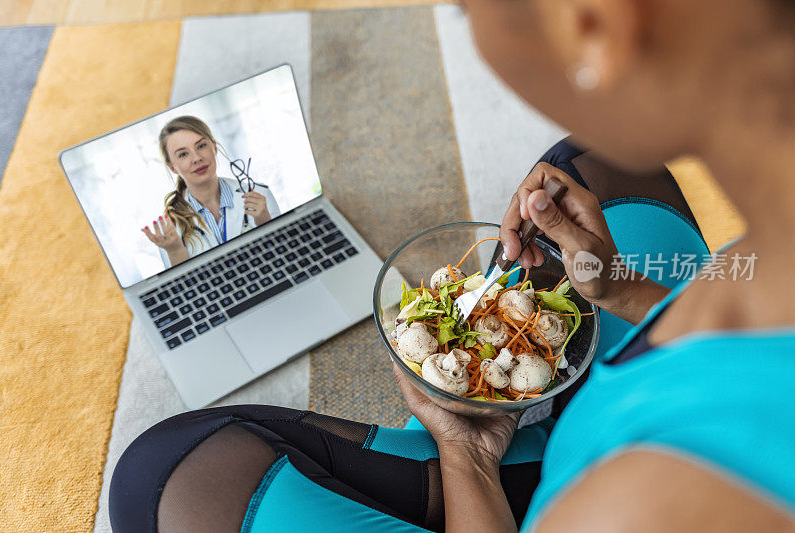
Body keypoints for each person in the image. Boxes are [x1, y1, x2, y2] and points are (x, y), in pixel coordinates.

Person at [110, 0, 795, 531]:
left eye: (467, 9)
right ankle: (549, 416)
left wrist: (468, 457)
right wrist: (617, 288)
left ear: (593, 26)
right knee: (597, 161)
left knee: (162, 474)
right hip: (653, 394)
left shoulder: (637, 506)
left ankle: (497, 471)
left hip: (568, 476)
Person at [142, 116, 281, 268]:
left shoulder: (260, 195)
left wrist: (265, 221)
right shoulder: (170, 229)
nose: (196, 158)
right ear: (173, 167)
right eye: (183, 154)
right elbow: (186, 288)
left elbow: (283, 256)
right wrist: (175, 251)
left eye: (201, 146)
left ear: (214, 147)